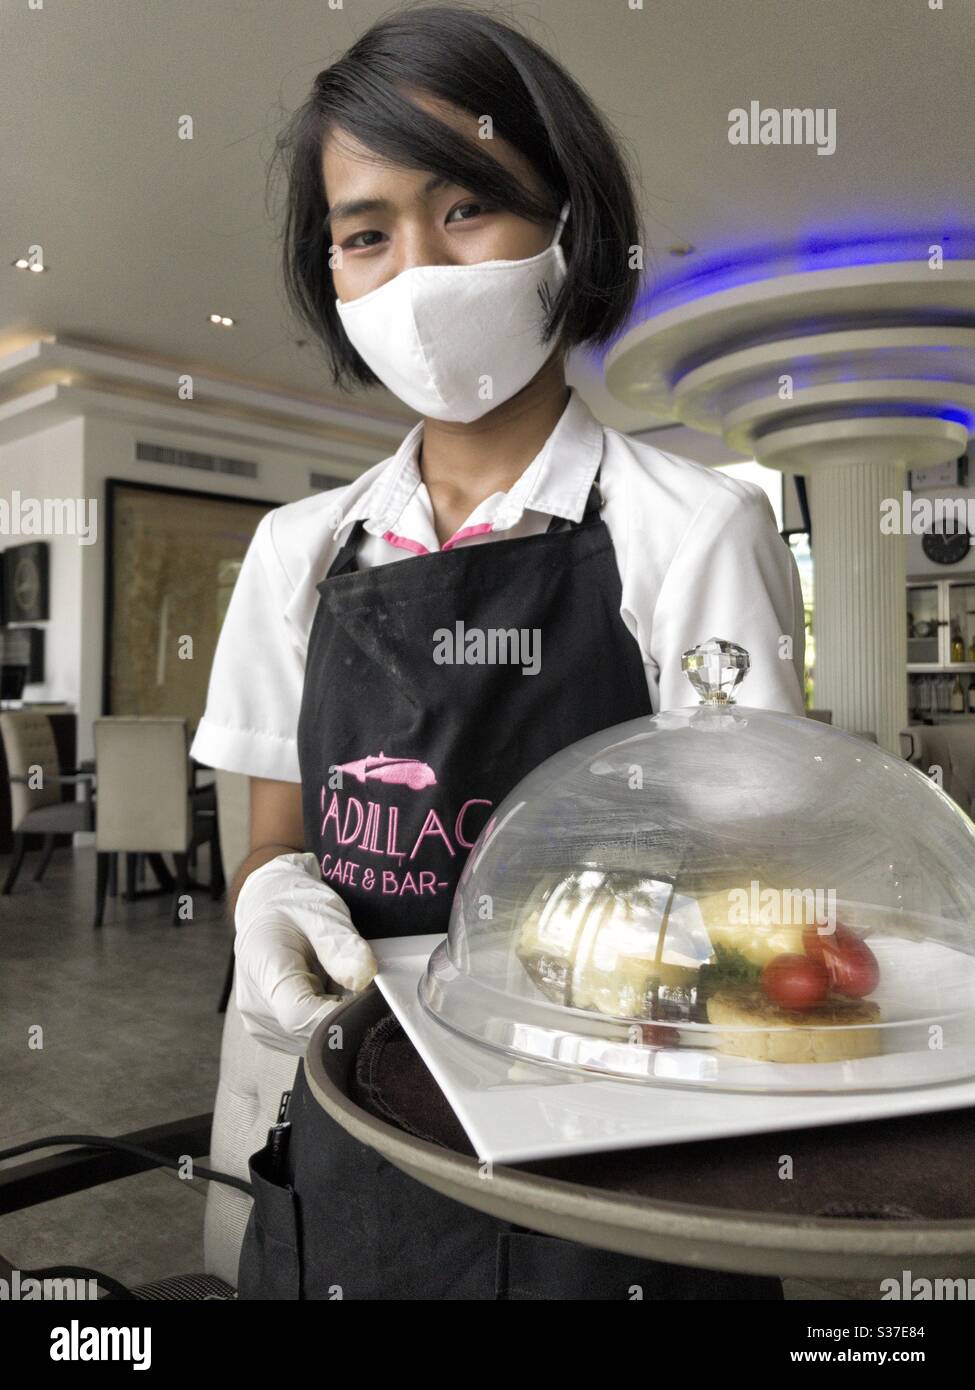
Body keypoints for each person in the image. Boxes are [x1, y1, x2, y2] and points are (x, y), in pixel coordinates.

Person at [191, 4, 805, 1300]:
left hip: (618, 1174)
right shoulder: (298, 553)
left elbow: (747, 890)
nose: (416, 271)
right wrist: (266, 902)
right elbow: (274, 835)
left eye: (466, 206)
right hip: (361, 1143)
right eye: (366, 234)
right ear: (334, 275)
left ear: (568, 221)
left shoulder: (692, 530)